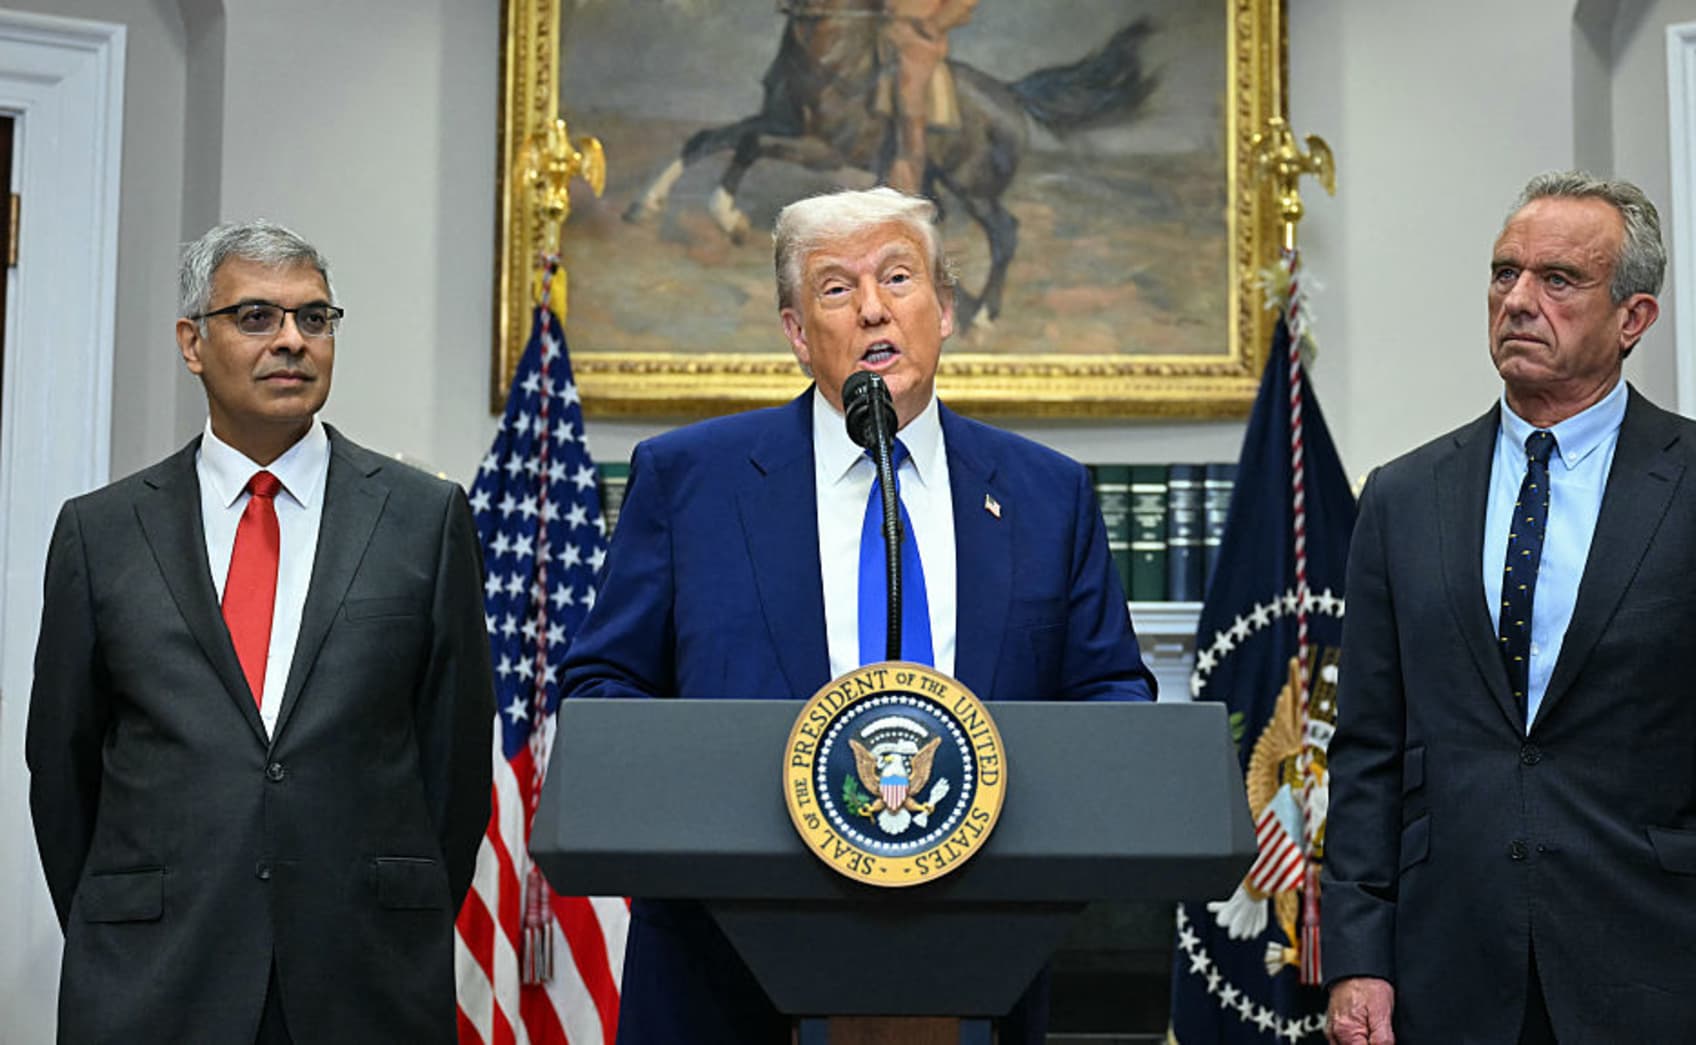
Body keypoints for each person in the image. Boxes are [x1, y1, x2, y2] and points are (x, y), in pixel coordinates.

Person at [561, 186, 1155, 1043]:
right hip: (725, 967)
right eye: (836, 288)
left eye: (899, 277)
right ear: (799, 333)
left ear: (945, 308)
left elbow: (1111, 697)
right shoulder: (691, 482)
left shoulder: (1043, 493)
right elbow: (603, 688)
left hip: (979, 953)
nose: (874, 307)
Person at [1320, 171, 1696, 1045]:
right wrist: (1357, 954)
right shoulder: (1402, 497)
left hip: (1658, 971)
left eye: (1558, 280)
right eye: (1504, 273)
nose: (1519, 299)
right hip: (1445, 974)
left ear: (1634, 316)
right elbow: (1368, 747)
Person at [27, 220, 495, 1043]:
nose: (291, 341)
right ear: (192, 342)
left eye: (313, 319)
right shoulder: (100, 534)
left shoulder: (424, 520)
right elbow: (63, 771)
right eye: (256, 317)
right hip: (152, 982)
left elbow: (452, 766)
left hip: (363, 980)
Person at [877, 0, 980, 194]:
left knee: (909, 103)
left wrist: (933, 25)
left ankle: (908, 180)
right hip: (883, 31)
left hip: (919, 40)